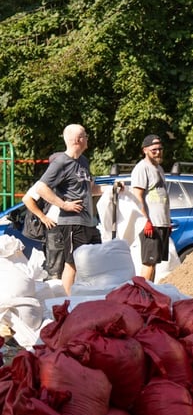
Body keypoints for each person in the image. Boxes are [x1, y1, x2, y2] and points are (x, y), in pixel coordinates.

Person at [33, 124, 105, 295]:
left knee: (92, 262)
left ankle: (86, 298)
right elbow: (41, 188)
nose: (88, 139)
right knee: (72, 263)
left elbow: (90, 189)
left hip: (89, 221)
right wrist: (64, 205)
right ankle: (68, 302)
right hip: (72, 223)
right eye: (86, 136)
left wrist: (112, 190)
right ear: (78, 140)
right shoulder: (61, 162)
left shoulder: (84, 161)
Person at [131, 134, 171, 282]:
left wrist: (168, 220)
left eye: (160, 149)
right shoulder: (142, 168)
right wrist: (145, 220)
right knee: (148, 262)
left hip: (161, 222)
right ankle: (143, 295)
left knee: (155, 263)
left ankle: (150, 292)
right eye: (154, 150)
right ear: (145, 150)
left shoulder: (159, 168)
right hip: (151, 223)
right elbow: (137, 196)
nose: (158, 152)